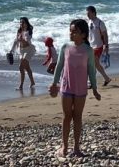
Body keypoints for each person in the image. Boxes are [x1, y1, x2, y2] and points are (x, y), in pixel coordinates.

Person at [49, 19, 101, 158]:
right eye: (70, 30)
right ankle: (64, 146)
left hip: (81, 89)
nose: (71, 33)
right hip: (66, 86)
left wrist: (95, 88)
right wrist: (54, 83)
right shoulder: (65, 47)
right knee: (67, 116)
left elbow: (91, 70)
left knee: (77, 117)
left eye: (74, 31)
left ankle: (76, 148)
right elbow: (59, 66)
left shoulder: (88, 50)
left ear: (83, 34)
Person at [85, 6, 112, 86]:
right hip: (91, 46)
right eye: (87, 13)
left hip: (99, 46)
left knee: (91, 63)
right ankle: (107, 78)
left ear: (93, 12)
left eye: (88, 13)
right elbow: (88, 35)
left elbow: (105, 35)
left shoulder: (100, 23)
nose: (87, 15)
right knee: (95, 64)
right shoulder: (89, 22)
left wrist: (106, 46)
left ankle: (90, 82)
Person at [9, 17, 36, 89]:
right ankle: (32, 82)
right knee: (27, 67)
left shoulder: (28, 32)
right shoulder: (19, 31)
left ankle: (21, 86)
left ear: (26, 23)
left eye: (23, 22)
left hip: (28, 50)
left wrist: (23, 39)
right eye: (20, 22)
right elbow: (16, 41)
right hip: (21, 50)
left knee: (21, 67)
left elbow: (27, 40)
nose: (21, 24)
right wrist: (11, 50)